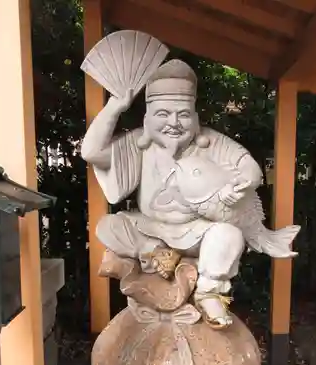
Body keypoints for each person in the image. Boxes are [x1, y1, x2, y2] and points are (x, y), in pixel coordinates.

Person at [81, 59, 299, 328]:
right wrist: (115, 106)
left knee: (229, 234)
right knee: (109, 225)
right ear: (148, 118)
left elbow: (250, 169)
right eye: (163, 114)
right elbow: (90, 152)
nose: (173, 122)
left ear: (195, 117)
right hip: (152, 230)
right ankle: (158, 253)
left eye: (183, 114)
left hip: (198, 231)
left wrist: (238, 186)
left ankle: (209, 291)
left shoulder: (212, 141)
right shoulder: (139, 143)